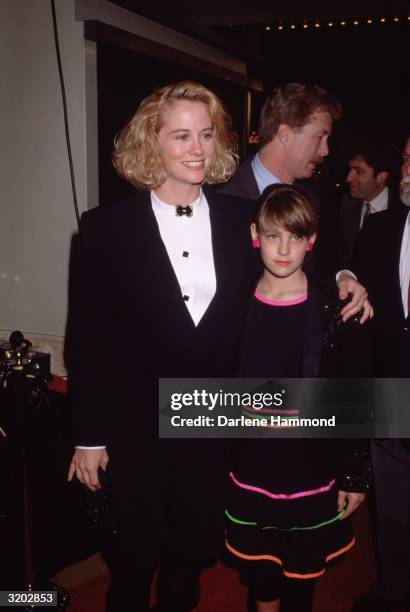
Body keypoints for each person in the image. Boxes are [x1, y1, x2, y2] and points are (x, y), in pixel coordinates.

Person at [66, 81, 260, 612]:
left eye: (206, 134)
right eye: (181, 136)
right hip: (135, 428)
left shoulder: (246, 219)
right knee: (131, 564)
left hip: (212, 425)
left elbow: (299, 264)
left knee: (188, 560)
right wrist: (88, 435)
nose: (198, 149)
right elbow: (88, 337)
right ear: (152, 143)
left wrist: (343, 274)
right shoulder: (105, 228)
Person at [224, 184, 371, 612]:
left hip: (310, 467)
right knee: (261, 573)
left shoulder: (333, 307)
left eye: (295, 236)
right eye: (273, 236)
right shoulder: (236, 301)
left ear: (312, 240)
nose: (284, 249)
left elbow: (353, 394)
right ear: (255, 235)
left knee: (302, 575)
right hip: (251, 465)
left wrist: (355, 475)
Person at [220, 82, 373, 321]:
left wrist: (342, 276)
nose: (326, 150)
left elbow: (317, 266)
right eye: (320, 137)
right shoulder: (221, 197)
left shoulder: (311, 199)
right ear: (284, 134)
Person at [351, 136, 410, 612]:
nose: (409, 167)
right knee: (390, 503)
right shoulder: (379, 228)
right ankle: (393, 587)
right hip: (389, 387)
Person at [338, 136, 401, 267]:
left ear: (381, 176)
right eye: (350, 169)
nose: (349, 178)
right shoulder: (347, 204)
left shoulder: (400, 209)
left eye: (358, 171)